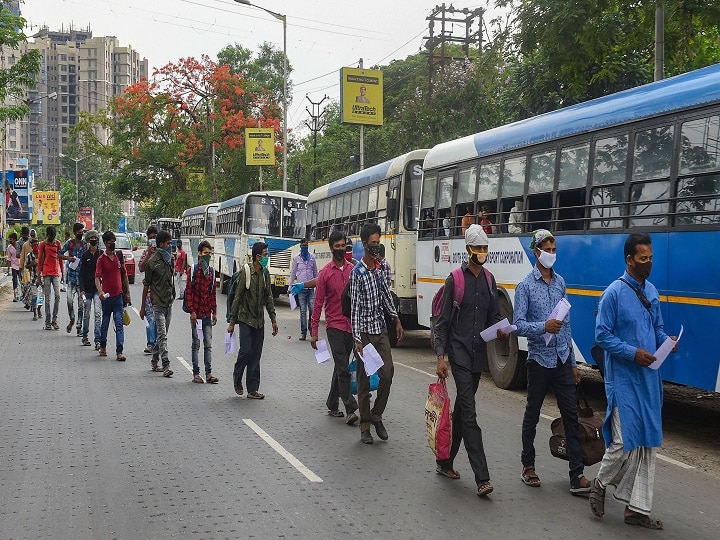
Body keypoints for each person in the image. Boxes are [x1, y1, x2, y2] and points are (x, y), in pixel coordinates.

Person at [589, 233, 677, 530]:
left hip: (649, 380)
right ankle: (600, 483)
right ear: (630, 260)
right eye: (643, 259)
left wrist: (668, 342)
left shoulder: (651, 291)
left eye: (651, 257)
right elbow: (601, 336)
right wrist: (631, 353)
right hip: (623, 380)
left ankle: (636, 509)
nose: (649, 263)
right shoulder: (612, 293)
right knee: (625, 442)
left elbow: (658, 328)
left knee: (647, 443)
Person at [513, 229, 592, 495]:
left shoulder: (560, 283)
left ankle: (577, 474)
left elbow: (565, 325)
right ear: (536, 252)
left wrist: (572, 363)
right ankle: (528, 466)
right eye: (546, 249)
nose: (551, 253)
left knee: (571, 415)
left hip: (560, 359)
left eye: (554, 249)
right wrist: (543, 327)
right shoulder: (525, 286)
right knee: (532, 414)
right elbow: (519, 326)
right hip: (538, 360)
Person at [434, 224, 506, 497]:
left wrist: (500, 328)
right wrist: (441, 358)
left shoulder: (489, 280)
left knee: (462, 413)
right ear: (468, 250)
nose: (482, 252)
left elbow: (493, 318)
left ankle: (444, 461)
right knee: (471, 413)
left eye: (486, 248)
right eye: (478, 248)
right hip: (459, 354)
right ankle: (482, 477)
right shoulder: (455, 280)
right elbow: (442, 323)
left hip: (478, 357)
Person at [349, 223, 404, 444]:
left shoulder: (380, 269)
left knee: (387, 375)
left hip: (380, 330)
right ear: (364, 245)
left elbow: (385, 296)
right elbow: (354, 311)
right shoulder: (357, 274)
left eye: (377, 243)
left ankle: (377, 414)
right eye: (372, 244)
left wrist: (396, 319)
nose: (375, 247)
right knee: (363, 382)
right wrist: (357, 341)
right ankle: (365, 425)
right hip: (364, 334)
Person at [311, 230, 359, 424]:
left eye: (343, 246)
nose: (341, 249)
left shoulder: (352, 270)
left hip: (351, 326)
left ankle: (332, 403)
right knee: (342, 368)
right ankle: (350, 408)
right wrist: (313, 333)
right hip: (334, 326)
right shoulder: (325, 274)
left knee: (341, 367)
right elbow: (317, 304)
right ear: (331, 248)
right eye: (337, 246)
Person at [227, 242, 278, 399]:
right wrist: (232, 322)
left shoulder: (265, 273)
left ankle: (252, 389)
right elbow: (238, 297)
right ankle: (237, 377)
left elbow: (268, 297)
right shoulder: (246, 271)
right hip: (245, 319)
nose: (266, 257)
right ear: (257, 256)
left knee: (256, 354)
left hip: (259, 321)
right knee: (246, 351)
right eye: (265, 254)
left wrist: (273, 319)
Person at [139, 230, 175, 377]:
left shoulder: (170, 260)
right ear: (161, 244)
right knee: (162, 335)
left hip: (169, 303)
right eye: (168, 243)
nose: (170, 246)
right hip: (157, 304)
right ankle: (165, 365)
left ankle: (154, 359)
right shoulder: (152, 263)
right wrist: (142, 308)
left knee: (162, 335)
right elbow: (146, 286)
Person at [184, 240, 218, 384]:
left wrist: (214, 312)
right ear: (199, 253)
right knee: (196, 344)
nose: (207, 256)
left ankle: (209, 373)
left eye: (209, 254)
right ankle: (196, 374)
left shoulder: (211, 272)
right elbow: (189, 293)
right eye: (205, 253)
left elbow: (212, 293)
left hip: (207, 314)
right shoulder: (193, 270)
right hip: (196, 315)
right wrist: (192, 312)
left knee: (208, 345)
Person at [95, 231, 131, 361]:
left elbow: (124, 275)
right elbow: (97, 278)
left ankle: (119, 351)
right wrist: (100, 292)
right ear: (105, 243)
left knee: (119, 323)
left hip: (118, 297)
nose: (113, 243)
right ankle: (103, 346)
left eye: (114, 241)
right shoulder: (101, 259)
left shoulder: (119, 256)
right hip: (107, 297)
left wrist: (127, 292)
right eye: (110, 241)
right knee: (105, 323)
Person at [37, 226, 74, 331]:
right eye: (50, 236)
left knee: (57, 297)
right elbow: (39, 261)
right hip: (46, 273)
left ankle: (54, 319)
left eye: (53, 236)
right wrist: (39, 276)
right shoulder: (43, 244)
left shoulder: (58, 244)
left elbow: (61, 259)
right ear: (48, 235)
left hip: (55, 273)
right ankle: (48, 321)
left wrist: (62, 272)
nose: (52, 238)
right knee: (48, 298)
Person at [60, 222, 87, 336]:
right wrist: (68, 258)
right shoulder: (69, 243)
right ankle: (72, 319)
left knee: (81, 304)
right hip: (71, 277)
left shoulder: (85, 244)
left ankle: (79, 326)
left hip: (82, 279)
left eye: (82, 232)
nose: (81, 234)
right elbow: (59, 254)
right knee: (69, 301)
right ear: (75, 232)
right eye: (79, 232)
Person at [288, 238, 318, 341]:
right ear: (300, 246)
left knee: (312, 310)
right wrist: (290, 287)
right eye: (303, 245)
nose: (305, 247)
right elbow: (293, 273)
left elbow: (315, 273)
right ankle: (303, 332)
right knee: (302, 311)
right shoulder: (297, 258)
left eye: (306, 245)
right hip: (301, 289)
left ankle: (311, 329)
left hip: (310, 289)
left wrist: (317, 287)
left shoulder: (312, 258)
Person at [79, 230, 102, 349]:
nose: (93, 239)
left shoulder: (101, 254)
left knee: (98, 314)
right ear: (88, 240)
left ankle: (97, 340)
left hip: (98, 290)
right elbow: (81, 273)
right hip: (87, 290)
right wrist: (81, 289)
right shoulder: (85, 255)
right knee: (86, 314)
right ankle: (85, 336)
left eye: (95, 237)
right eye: (91, 238)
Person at [139, 226, 158, 356]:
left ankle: (157, 343)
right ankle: (150, 344)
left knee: (158, 320)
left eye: (154, 238)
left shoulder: (163, 253)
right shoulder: (146, 253)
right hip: (149, 292)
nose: (152, 240)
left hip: (160, 293)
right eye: (150, 238)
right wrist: (149, 254)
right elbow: (141, 267)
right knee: (150, 318)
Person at [23, 236, 41, 320]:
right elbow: (26, 266)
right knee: (34, 296)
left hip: (41, 279)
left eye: (37, 244)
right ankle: (35, 313)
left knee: (41, 297)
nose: (36, 246)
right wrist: (32, 264)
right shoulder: (29, 256)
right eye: (34, 245)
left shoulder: (42, 254)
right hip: (33, 279)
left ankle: (39, 309)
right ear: (31, 245)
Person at [6, 232, 21, 301]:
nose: (10, 240)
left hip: (21, 265)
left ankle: (23, 294)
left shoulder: (20, 245)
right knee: (14, 280)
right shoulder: (9, 247)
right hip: (14, 266)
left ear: (15, 239)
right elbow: (9, 258)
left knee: (22, 280)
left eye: (11, 239)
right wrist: (8, 269)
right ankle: (15, 295)